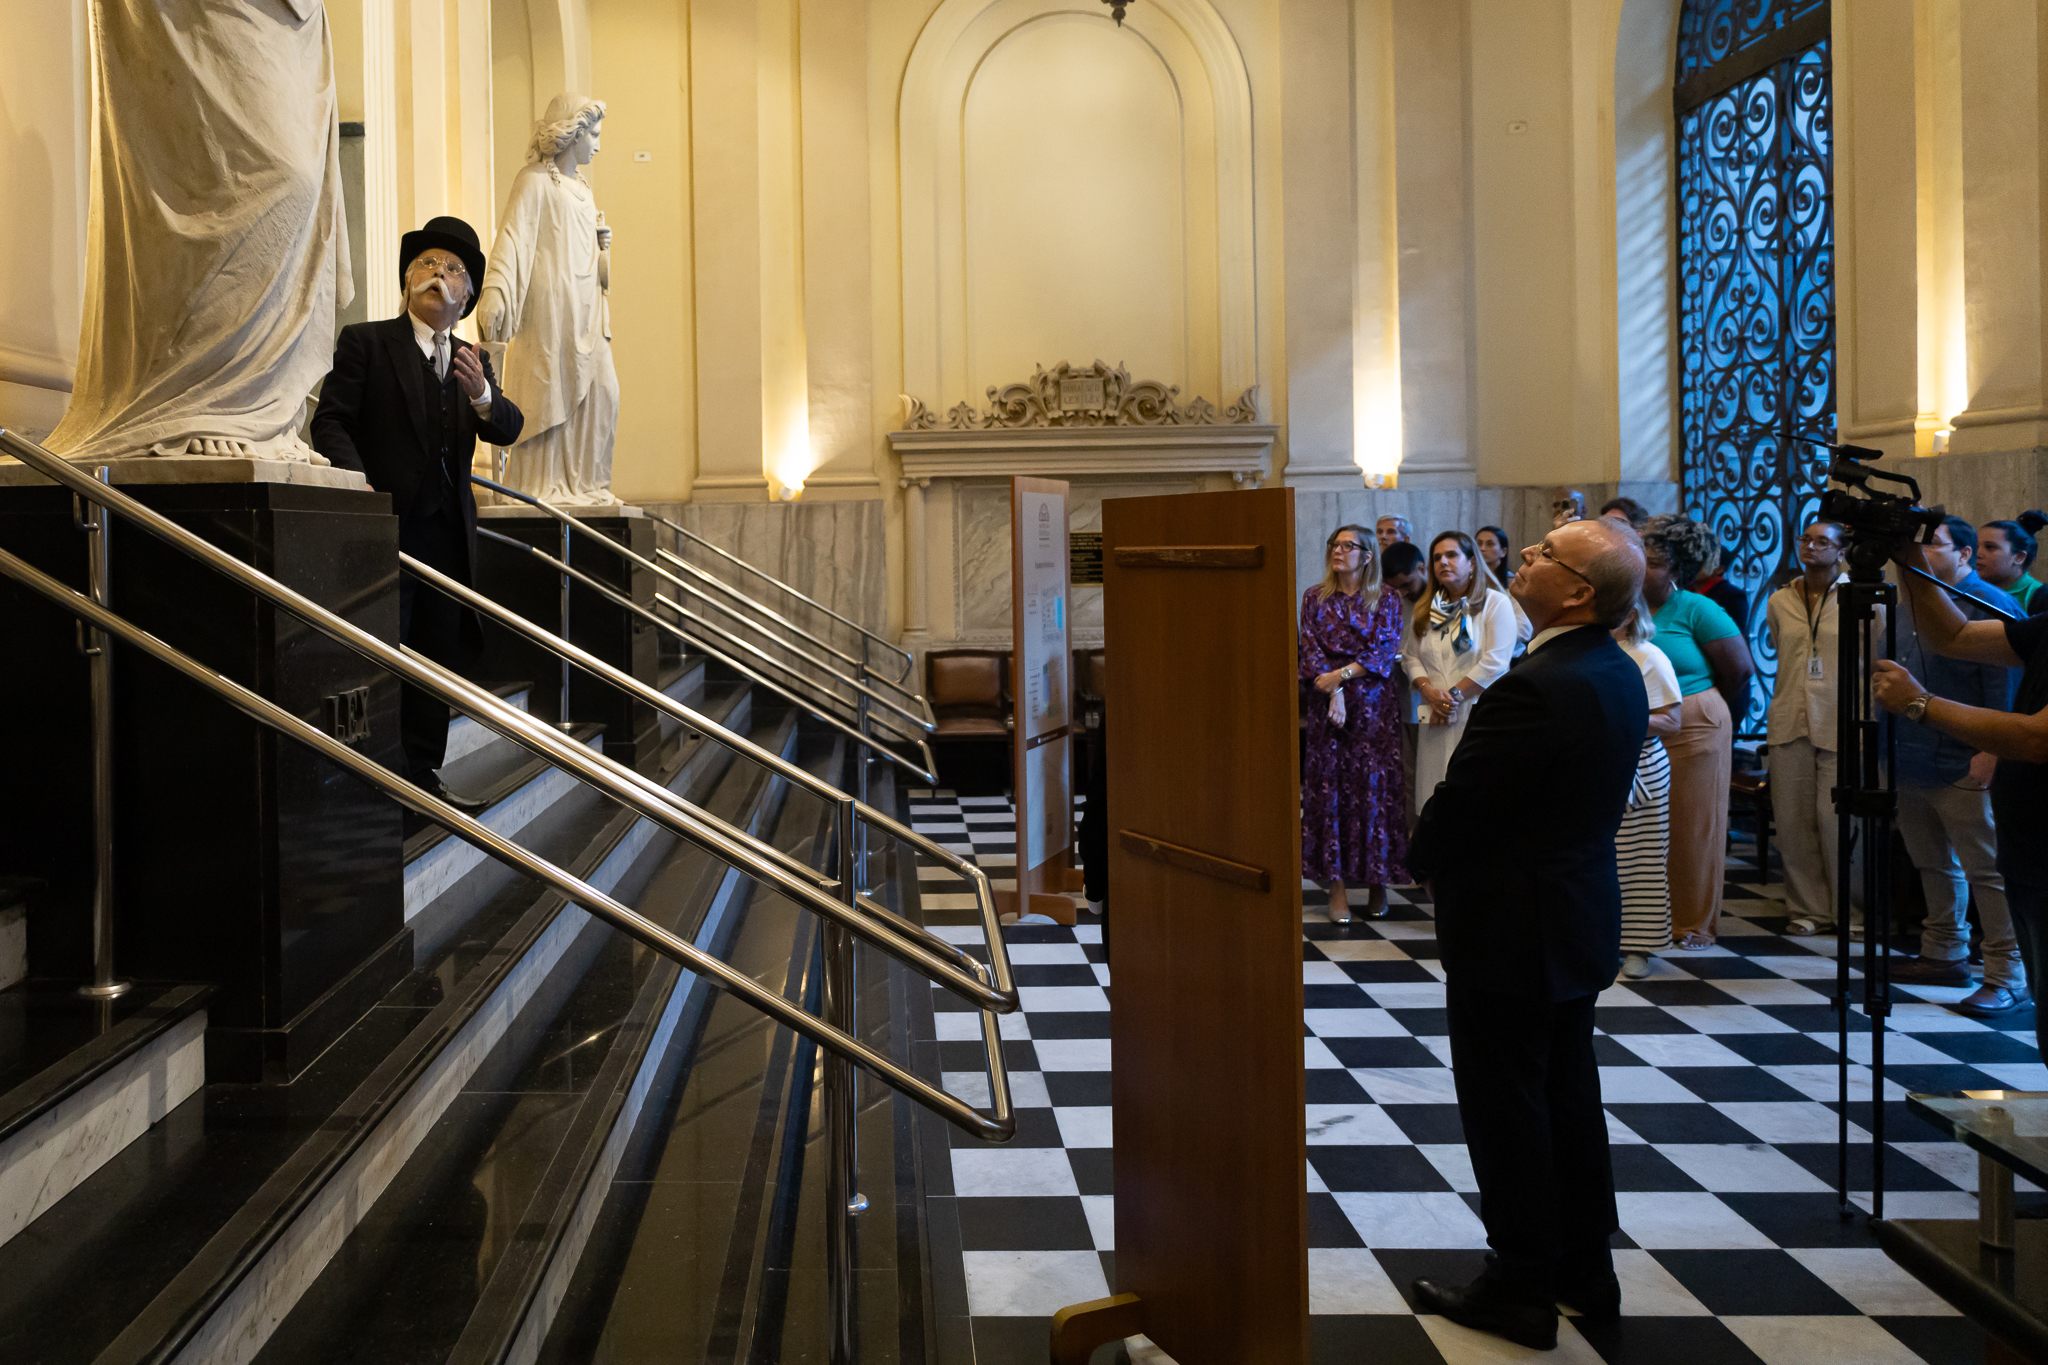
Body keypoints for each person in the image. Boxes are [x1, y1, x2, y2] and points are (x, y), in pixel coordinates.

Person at [1407, 518, 1649, 1351]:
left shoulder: (1538, 683)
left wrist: (1422, 855)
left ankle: (1519, 1283)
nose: (1528, 558)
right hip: (1573, 912)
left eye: (1548, 554)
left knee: (1507, 1102)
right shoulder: (1612, 669)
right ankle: (1585, 1268)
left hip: (1514, 922)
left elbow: (1465, 799)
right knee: (1568, 1093)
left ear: (1580, 591)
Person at [313, 217, 526, 823]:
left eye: (455, 270)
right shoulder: (368, 342)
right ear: (408, 280)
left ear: (467, 298)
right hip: (387, 531)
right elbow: (329, 422)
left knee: (436, 658)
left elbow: (505, 425)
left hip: (449, 538)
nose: (441, 275)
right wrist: (366, 494)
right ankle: (384, 782)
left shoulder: (468, 359)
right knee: (386, 655)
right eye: (430, 264)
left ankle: (423, 782)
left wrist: (483, 391)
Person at [1873, 532, 2048, 1054]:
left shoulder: (2001, 600)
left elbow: (2037, 737)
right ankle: (1950, 951)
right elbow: (1951, 636)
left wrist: (1921, 704)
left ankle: (2001, 977)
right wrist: (1905, 556)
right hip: (2031, 843)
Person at [479, 94, 621, 506]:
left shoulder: (583, 189)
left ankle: (586, 483)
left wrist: (602, 249)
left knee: (604, 391)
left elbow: (596, 267)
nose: (597, 143)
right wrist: (495, 290)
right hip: (548, 311)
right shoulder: (534, 180)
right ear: (571, 134)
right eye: (592, 134)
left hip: (587, 309)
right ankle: (544, 485)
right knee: (550, 391)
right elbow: (512, 238)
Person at [1642, 514, 1755, 949]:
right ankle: (1645, 916)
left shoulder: (1697, 608)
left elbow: (1740, 671)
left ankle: (1693, 923)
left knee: (1693, 827)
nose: (1642, 570)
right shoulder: (1624, 607)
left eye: (1652, 563)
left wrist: (1698, 708)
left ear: (1675, 570)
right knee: (1643, 827)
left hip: (1694, 726)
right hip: (1640, 725)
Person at [1762, 521, 1867, 938]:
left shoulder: (1861, 598)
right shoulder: (1780, 600)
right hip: (1790, 717)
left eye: (1823, 541)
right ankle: (1808, 910)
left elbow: (1872, 658)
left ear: (1842, 551)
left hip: (1842, 719)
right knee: (1792, 822)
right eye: (1806, 538)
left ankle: (1852, 912)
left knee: (1838, 821)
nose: (1811, 546)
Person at [1300, 526, 1409, 922]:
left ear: (1367, 556)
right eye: (1334, 544)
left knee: (1374, 792)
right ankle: (1337, 887)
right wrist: (1334, 691)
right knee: (1330, 792)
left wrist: (1342, 679)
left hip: (1374, 707)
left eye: (1348, 546)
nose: (1339, 551)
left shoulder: (1387, 598)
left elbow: (1383, 650)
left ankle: (1378, 882)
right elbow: (1310, 648)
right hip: (1328, 704)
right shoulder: (1315, 596)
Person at [1404, 531, 1517, 813]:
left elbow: (1496, 662)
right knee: (1434, 800)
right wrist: (1429, 692)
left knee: (1474, 801)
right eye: (1437, 558)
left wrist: (1452, 697)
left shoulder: (1495, 603)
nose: (1443, 562)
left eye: (1452, 555)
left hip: (1477, 714)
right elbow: (1410, 657)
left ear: (1472, 562)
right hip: (1436, 716)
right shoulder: (1427, 608)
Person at [1613, 597, 1682, 978]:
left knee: (1642, 860)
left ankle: (1640, 946)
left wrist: (1615, 718)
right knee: (1604, 859)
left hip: (1641, 767)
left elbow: (1672, 722)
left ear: (1630, 615)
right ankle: (1607, 940)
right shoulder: (1597, 652)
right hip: (1602, 764)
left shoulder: (1648, 656)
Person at [1384, 541, 1430, 834]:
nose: (1401, 593)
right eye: (1395, 587)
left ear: (1423, 569)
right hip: (1402, 699)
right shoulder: (1391, 600)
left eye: (1406, 584)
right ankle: (1412, 841)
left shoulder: (1443, 599)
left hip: (1436, 698)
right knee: (1408, 775)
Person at [1979, 520, 2045, 615]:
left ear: (2019, 557)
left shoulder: (2039, 596)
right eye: (1976, 546)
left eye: (1990, 547)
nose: (1978, 554)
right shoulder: (1971, 589)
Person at [1689, 545, 1750, 634]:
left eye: (1700, 562)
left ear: (1719, 569)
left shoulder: (1732, 597)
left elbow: (1733, 637)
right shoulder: (1681, 591)